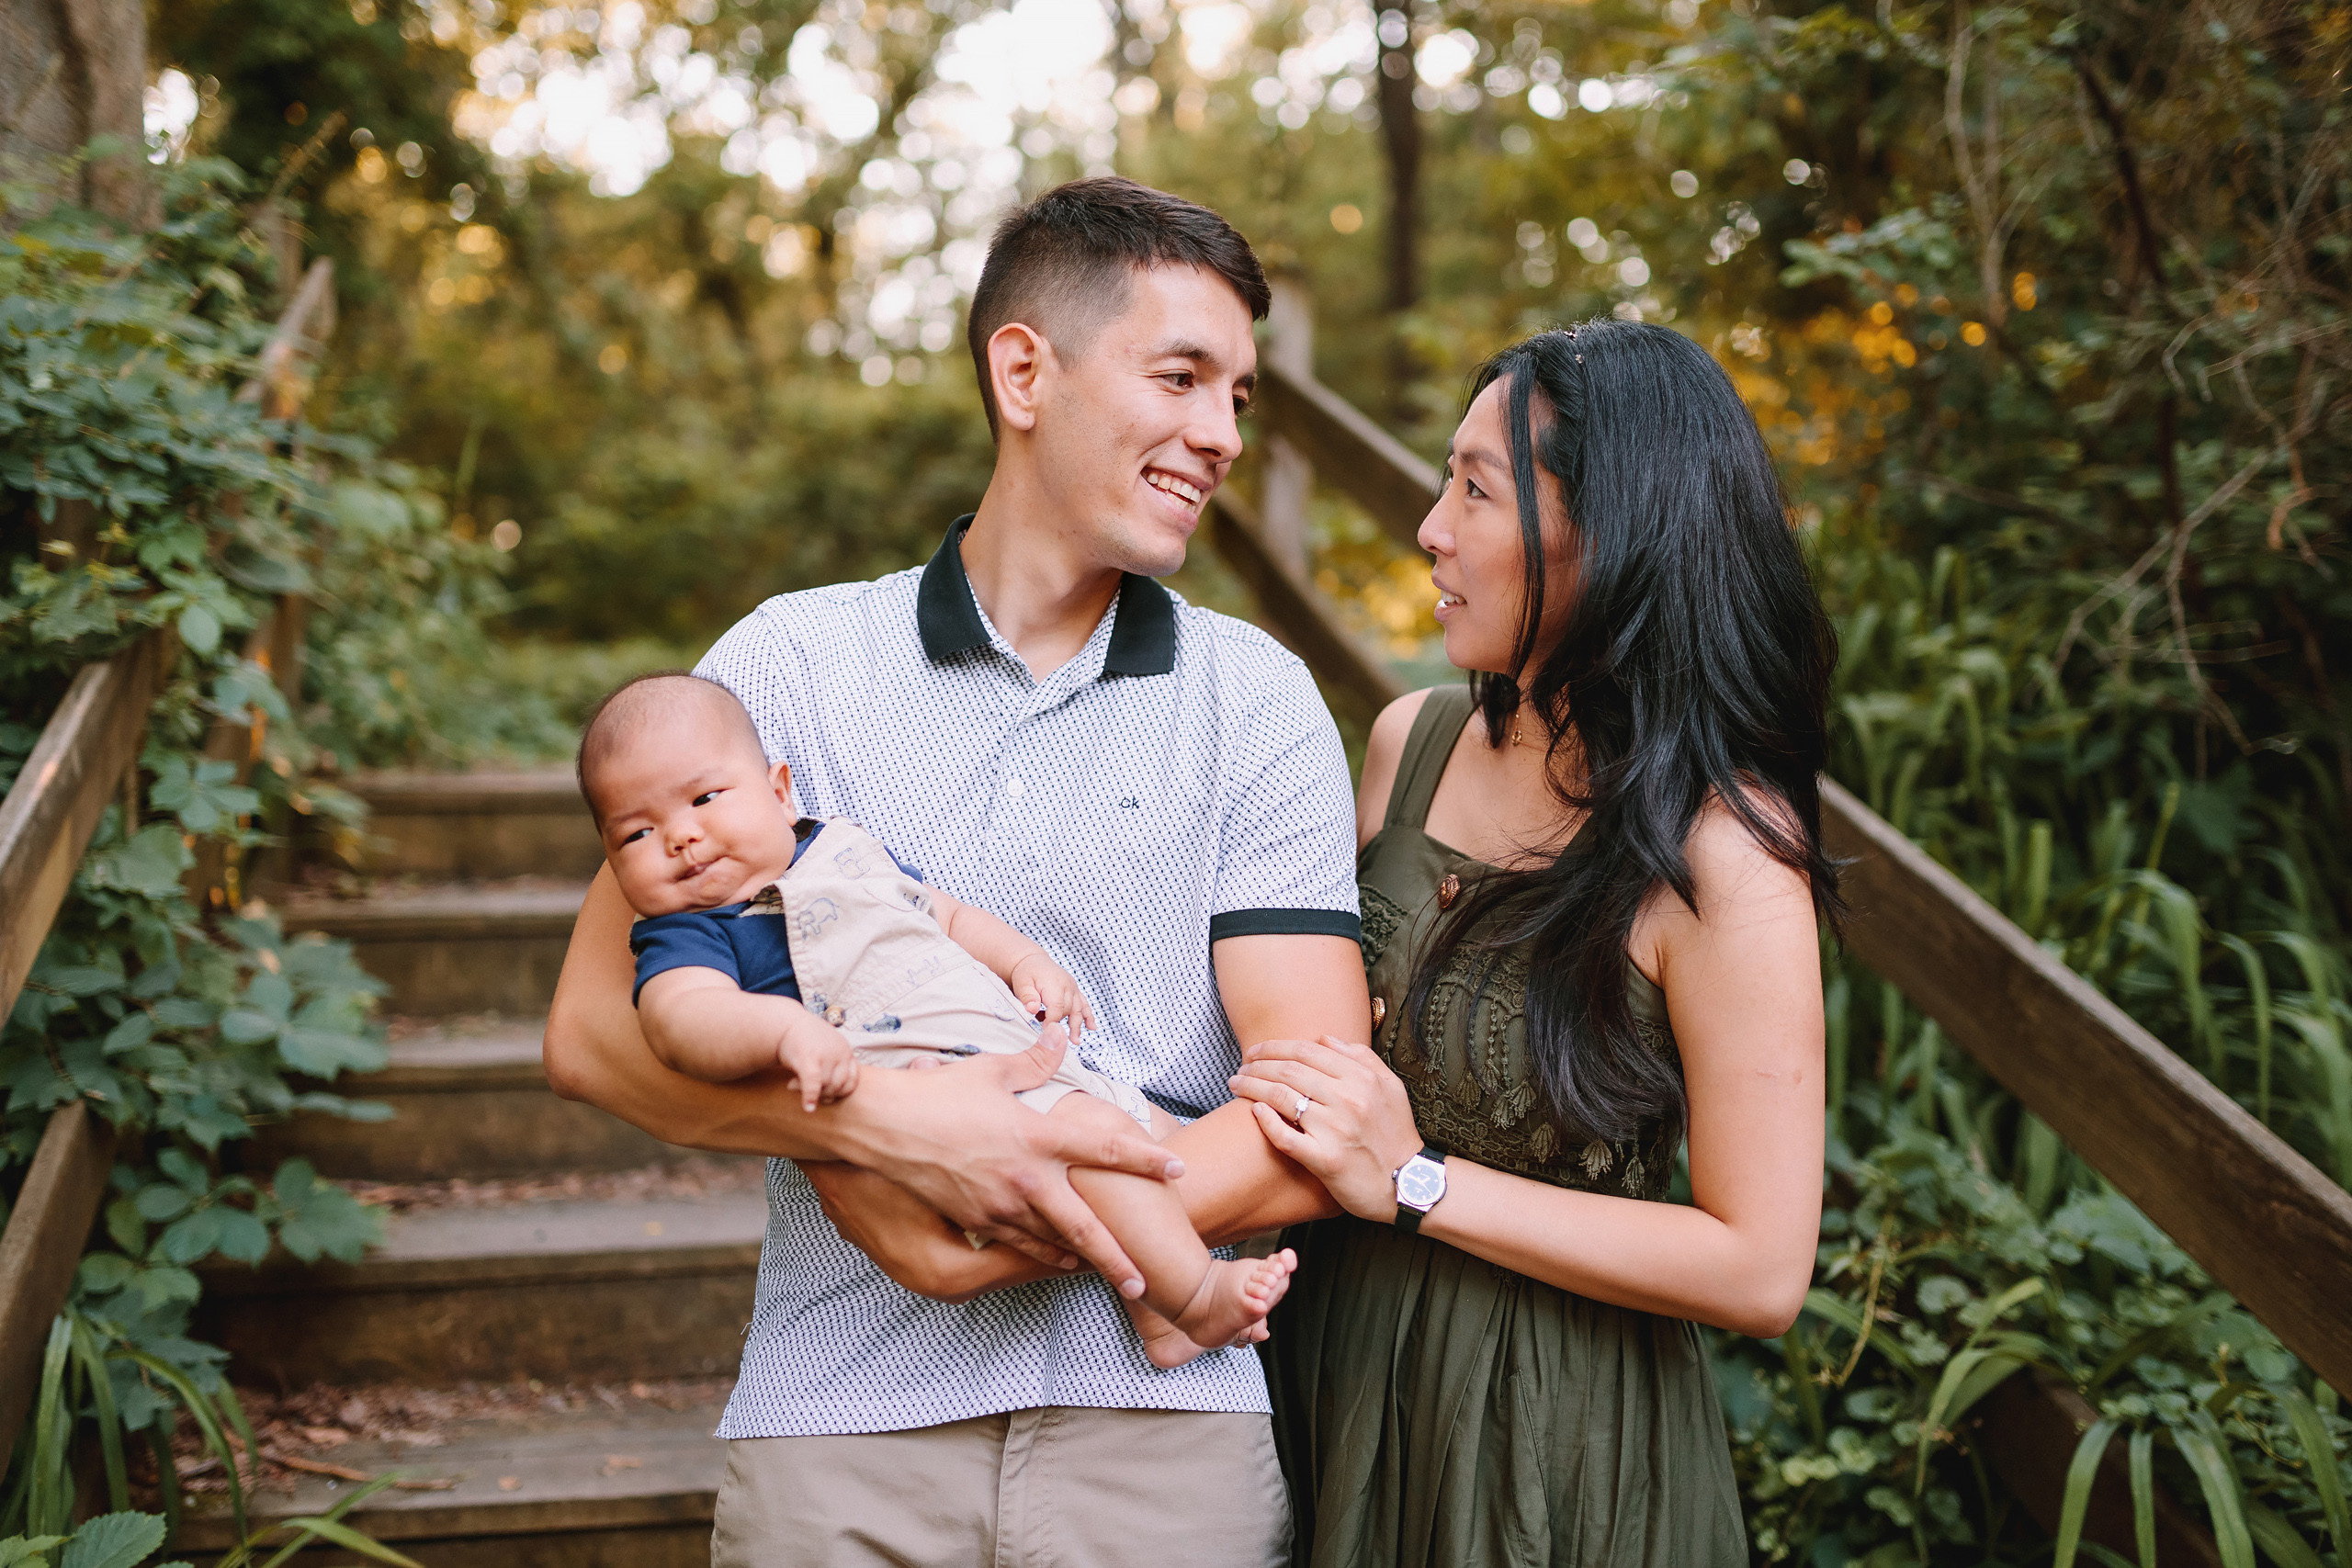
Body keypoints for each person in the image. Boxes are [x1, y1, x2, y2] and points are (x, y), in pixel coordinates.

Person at [542, 175, 1368, 1568]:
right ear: (1023, 371)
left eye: (1238, 395)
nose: (1222, 433)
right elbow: (591, 1035)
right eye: (1180, 378)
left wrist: (1007, 1197)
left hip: (1163, 1416)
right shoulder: (783, 669)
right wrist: (889, 1134)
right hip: (840, 1419)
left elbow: (1316, 1108)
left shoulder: (1259, 699)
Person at [1226, 321, 1839, 1564]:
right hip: (1325, 1365)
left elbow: (1760, 1266)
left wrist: (1417, 1183)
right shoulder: (1409, 744)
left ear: (1609, 535)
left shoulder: (1725, 856)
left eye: (1476, 490)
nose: (1430, 529)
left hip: (1547, 1437)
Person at [576, 670, 1299, 1366]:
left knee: (1159, 1135)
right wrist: (781, 1031)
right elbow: (681, 1018)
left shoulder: (843, 847)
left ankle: (1157, 1313)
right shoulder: (692, 932)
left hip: (1017, 1055)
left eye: (705, 797)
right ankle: (1195, 1295)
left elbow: (943, 915)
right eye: (635, 834)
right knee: (1103, 1145)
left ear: (780, 790)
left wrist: (1022, 959)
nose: (680, 836)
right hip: (941, 1093)